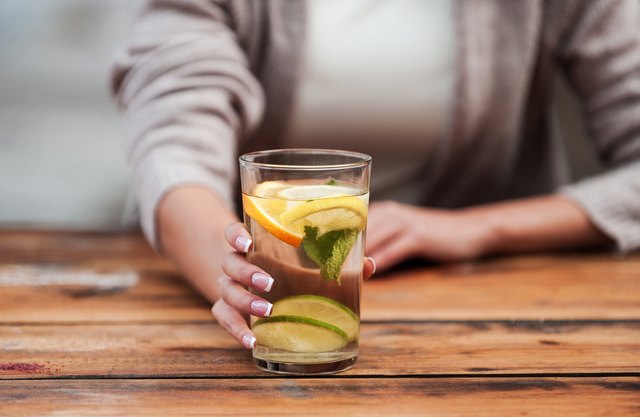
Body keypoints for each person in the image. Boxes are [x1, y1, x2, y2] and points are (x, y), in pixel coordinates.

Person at [111, 0, 640, 349]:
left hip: (490, 313)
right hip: (265, 287)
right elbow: (172, 129)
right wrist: (230, 270)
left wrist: (475, 228)